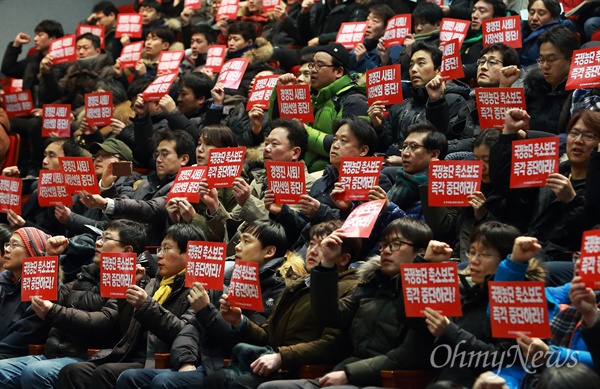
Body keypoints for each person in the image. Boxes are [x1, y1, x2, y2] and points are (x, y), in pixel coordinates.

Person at [258, 218, 436, 389]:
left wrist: (349, 374)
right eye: (384, 244)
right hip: (348, 372)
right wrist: (327, 263)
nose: (386, 251)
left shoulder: (432, 293)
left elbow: (409, 354)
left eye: (396, 244)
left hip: (382, 379)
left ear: (420, 253)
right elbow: (330, 316)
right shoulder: (371, 285)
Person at [115, 219, 293, 389]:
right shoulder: (223, 281)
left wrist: (208, 312)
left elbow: (255, 340)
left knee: (164, 381)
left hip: (235, 367)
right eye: (239, 241)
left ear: (268, 252)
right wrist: (186, 360)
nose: (237, 247)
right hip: (206, 361)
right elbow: (190, 330)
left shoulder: (277, 290)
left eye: (246, 242)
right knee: (130, 377)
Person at [200, 223, 362, 389]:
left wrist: (281, 357)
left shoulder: (351, 288)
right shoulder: (298, 285)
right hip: (275, 362)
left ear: (344, 259)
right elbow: (267, 335)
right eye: (312, 244)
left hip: (302, 369)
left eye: (324, 246)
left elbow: (332, 345)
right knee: (216, 379)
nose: (312, 251)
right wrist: (239, 321)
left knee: (240, 384)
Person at [0, 220, 146, 389]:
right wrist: (51, 257)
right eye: (99, 237)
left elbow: (104, 321)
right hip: (53, 353)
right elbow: (45, 296)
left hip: (89, 357)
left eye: (106, 239)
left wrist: (53, 311)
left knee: (36, 372)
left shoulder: (134, 281)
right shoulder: (87, 274)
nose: (98, 242)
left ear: (127, 250)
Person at [57, 223, 205, 389]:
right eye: (159, 249)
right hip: (131, 354)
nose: (159, 256)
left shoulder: (199, 291)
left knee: (105, 373)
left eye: (166, 249)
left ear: (189, 255)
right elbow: (127, 329)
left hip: (159, 358)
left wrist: (146, 305)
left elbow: (182, 332)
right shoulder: (154, 284)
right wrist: (128, 294)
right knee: (73, 372)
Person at [422, 223, 545, 387]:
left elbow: (505, 357)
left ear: (505, 259)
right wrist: (426, 264)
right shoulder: (464, 292)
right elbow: (408, 319)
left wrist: (450, 332)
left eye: (484, 254)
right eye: (472, 252)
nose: (473, 260)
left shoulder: (520, 301)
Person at [489, 108, 600, 264]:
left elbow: (586, 237)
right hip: (533, 247)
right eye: (574, 133)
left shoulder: (595, 187)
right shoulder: (549, 170)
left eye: (589, 136)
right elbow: (504, 185)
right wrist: (508, 133)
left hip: (567, 259)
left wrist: (571, 201)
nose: (578, 140)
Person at [267, 116, 391, 250]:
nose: (335, 145)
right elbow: (302, 229)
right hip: (306, 250)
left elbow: (362, 235)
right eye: (334, 140)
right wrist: (282, 211)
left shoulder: (376, 183)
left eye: (343, 141)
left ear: (363, 151)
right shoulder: (320, 183)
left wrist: (323, 211)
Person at [204, 118, 315, 255]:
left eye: (274, 144)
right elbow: (228, 231)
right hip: (238, 254)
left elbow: (282, 230)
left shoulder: (307, 183)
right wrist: (214, 206)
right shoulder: (258, 180)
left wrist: (247, 201)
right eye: (266, 143)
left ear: (295, 153)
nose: (266, 149)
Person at [80, 130, 196, 245]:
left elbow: (152, 209)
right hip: (130, 245)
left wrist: (106, 204)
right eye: (157, 154)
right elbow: (124, 214)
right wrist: (108, 187)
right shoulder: (144, 183)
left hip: (154, 251)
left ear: (184, 159)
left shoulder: (187, 184)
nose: (159, 159)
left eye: (164, 154)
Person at [269, 43, 368, 173]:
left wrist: (304, 131)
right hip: (303, 170)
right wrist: (281, 93)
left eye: (319, 65)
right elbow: (280, 128)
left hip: (332, 174)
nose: (313, 70)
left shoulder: (354, 101)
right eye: (312, 65)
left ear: (339, 72)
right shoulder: (313, 97)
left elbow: (346, 148)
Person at [369, 42, 469, 155]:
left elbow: (442, 144)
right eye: (411, 65)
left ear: (439, 70)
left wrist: (437, 102)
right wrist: (378, 127)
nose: (414, 69)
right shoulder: (399, 106)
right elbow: (383, 148)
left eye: (421, 63)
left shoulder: (455, 101)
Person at [1, 19, 64, 177]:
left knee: (36, 124)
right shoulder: (33, 59)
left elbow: (62, 94)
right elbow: (8, 68)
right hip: (30, 113)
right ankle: (19, 165)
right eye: (35, 35)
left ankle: (35, 167)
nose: (35, 39)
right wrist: (16, 45)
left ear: (53, 38)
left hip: (54, 114)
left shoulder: (65, 63)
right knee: (7, 121)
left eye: (40, 35)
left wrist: (46, 111)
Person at [166, 125, 239, 241]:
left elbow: (230, 237)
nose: (200, 149)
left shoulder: (237, 182)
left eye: (208, 144)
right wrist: (174, 220)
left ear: (226, 150)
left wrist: (193, 218)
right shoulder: (188, 175)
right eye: (199, 143)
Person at [53, 138, 140, 237]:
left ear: (123, 162)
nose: (98, 159)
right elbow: (66, 217)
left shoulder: (131, 184)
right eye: (96, 156)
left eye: (106, 155)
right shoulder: (90, 183)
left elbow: (116, 227)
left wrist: (71, 218)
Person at [3, 137, 87, 236]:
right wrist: (7, 186)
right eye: (44, 155)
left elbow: (62, 240)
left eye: (51, 156)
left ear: (69, 162)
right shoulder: (37, 190)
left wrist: (25, 226)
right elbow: (7, 221)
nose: (44, 161)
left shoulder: (79, 199)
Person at [0, 227, 52, 359]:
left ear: (33, 252)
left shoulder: (43, 289)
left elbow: (22, 338)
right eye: (7, 244)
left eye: (14, 245)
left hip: (14, 357)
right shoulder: (3, 283)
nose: (6, 249)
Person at [39, 32, 116, 116]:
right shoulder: (73, 69)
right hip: (72, 114)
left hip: (91, 116)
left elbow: (102, 103)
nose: (81, 52)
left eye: (85, 48)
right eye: (78, 48)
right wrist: (47, 73)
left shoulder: (108, 71)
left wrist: (73, 114)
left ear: (97, 51)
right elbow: (58, 92)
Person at [523, 25, 579, 133]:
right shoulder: (533, 88)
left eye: (551, 59)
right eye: (541, 59)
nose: (544, 66)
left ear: (571, 61)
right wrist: (504, 86)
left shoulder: (580, 95)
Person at [386, 122, 448, 219]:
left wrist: (388, 208)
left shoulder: (441, 190)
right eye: (404, 147)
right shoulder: (401, 179)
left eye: (414, 147)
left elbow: (421, 231)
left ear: (434, 154)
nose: (405, 153)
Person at [520, 0, 577, 66]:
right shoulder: (521, 30)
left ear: (555, 17)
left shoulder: (560, 34)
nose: (534, 18)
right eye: (531, 13)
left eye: (541, 13)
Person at [461, 0, 507, 80]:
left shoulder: (502, 43)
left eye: (482, 11)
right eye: (473, 11)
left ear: (496, 18)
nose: (474, 15)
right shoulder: (465, 36)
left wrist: (461, 69)